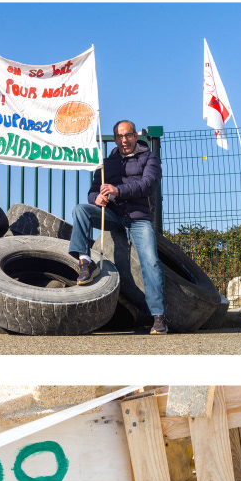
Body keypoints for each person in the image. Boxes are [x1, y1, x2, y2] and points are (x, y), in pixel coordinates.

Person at [68, 119, 168, 334]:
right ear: (114, 139)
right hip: (112, 215)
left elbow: (147, 184)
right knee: (80, 209)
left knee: (150, 262)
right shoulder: (106, 163)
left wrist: (117, 190)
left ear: (135, 136)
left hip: (139, 217)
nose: (124, 140)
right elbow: (93, 191)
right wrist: (97, 199)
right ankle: (86, 263)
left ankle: (158, 316)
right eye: (120, 136)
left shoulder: (150, 158)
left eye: (128, 135)